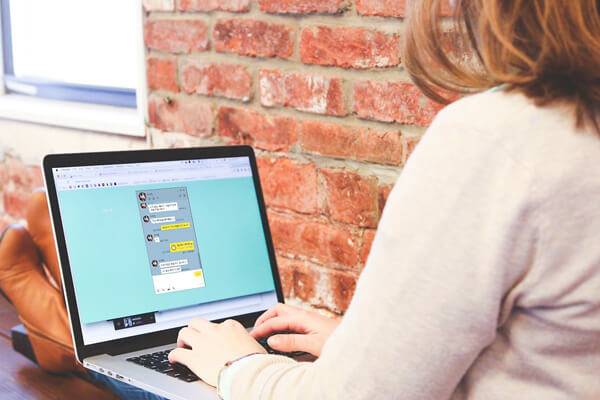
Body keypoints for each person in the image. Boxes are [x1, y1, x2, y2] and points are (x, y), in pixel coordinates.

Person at [1, 0, 599, 398]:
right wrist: (365, 346)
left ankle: (64, 335)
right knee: (166, 346)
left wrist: (237, 364)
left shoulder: (496, 141)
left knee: (174, 362)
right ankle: (72, 328)